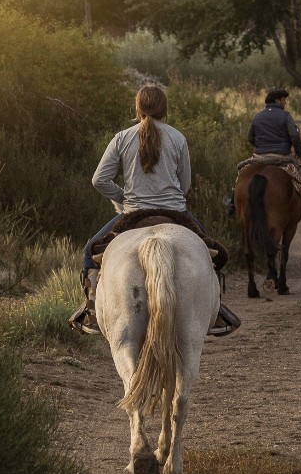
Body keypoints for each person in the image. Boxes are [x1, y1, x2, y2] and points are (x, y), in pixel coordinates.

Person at [67, 84, 240, 337]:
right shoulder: (178, 138)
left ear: (138, 108)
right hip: (176, 214)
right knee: (214, 254)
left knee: (89, 252)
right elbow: (186, 184)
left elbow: (99, 180)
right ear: (164, 109)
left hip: (133, 214)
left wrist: (124, 197)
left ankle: (91, 309)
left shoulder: (122, 138)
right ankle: (215, 310)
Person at [222, 89, 301, 215]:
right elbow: (295, 136)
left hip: (260, 155)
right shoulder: (285, 116)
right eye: (283, 100)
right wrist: (298, 153)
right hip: (282, 155)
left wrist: (261, 147)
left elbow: (250, 138)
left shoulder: (257, 116)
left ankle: (232, 202)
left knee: (242, 173)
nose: (285, 103)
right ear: (277, 101)